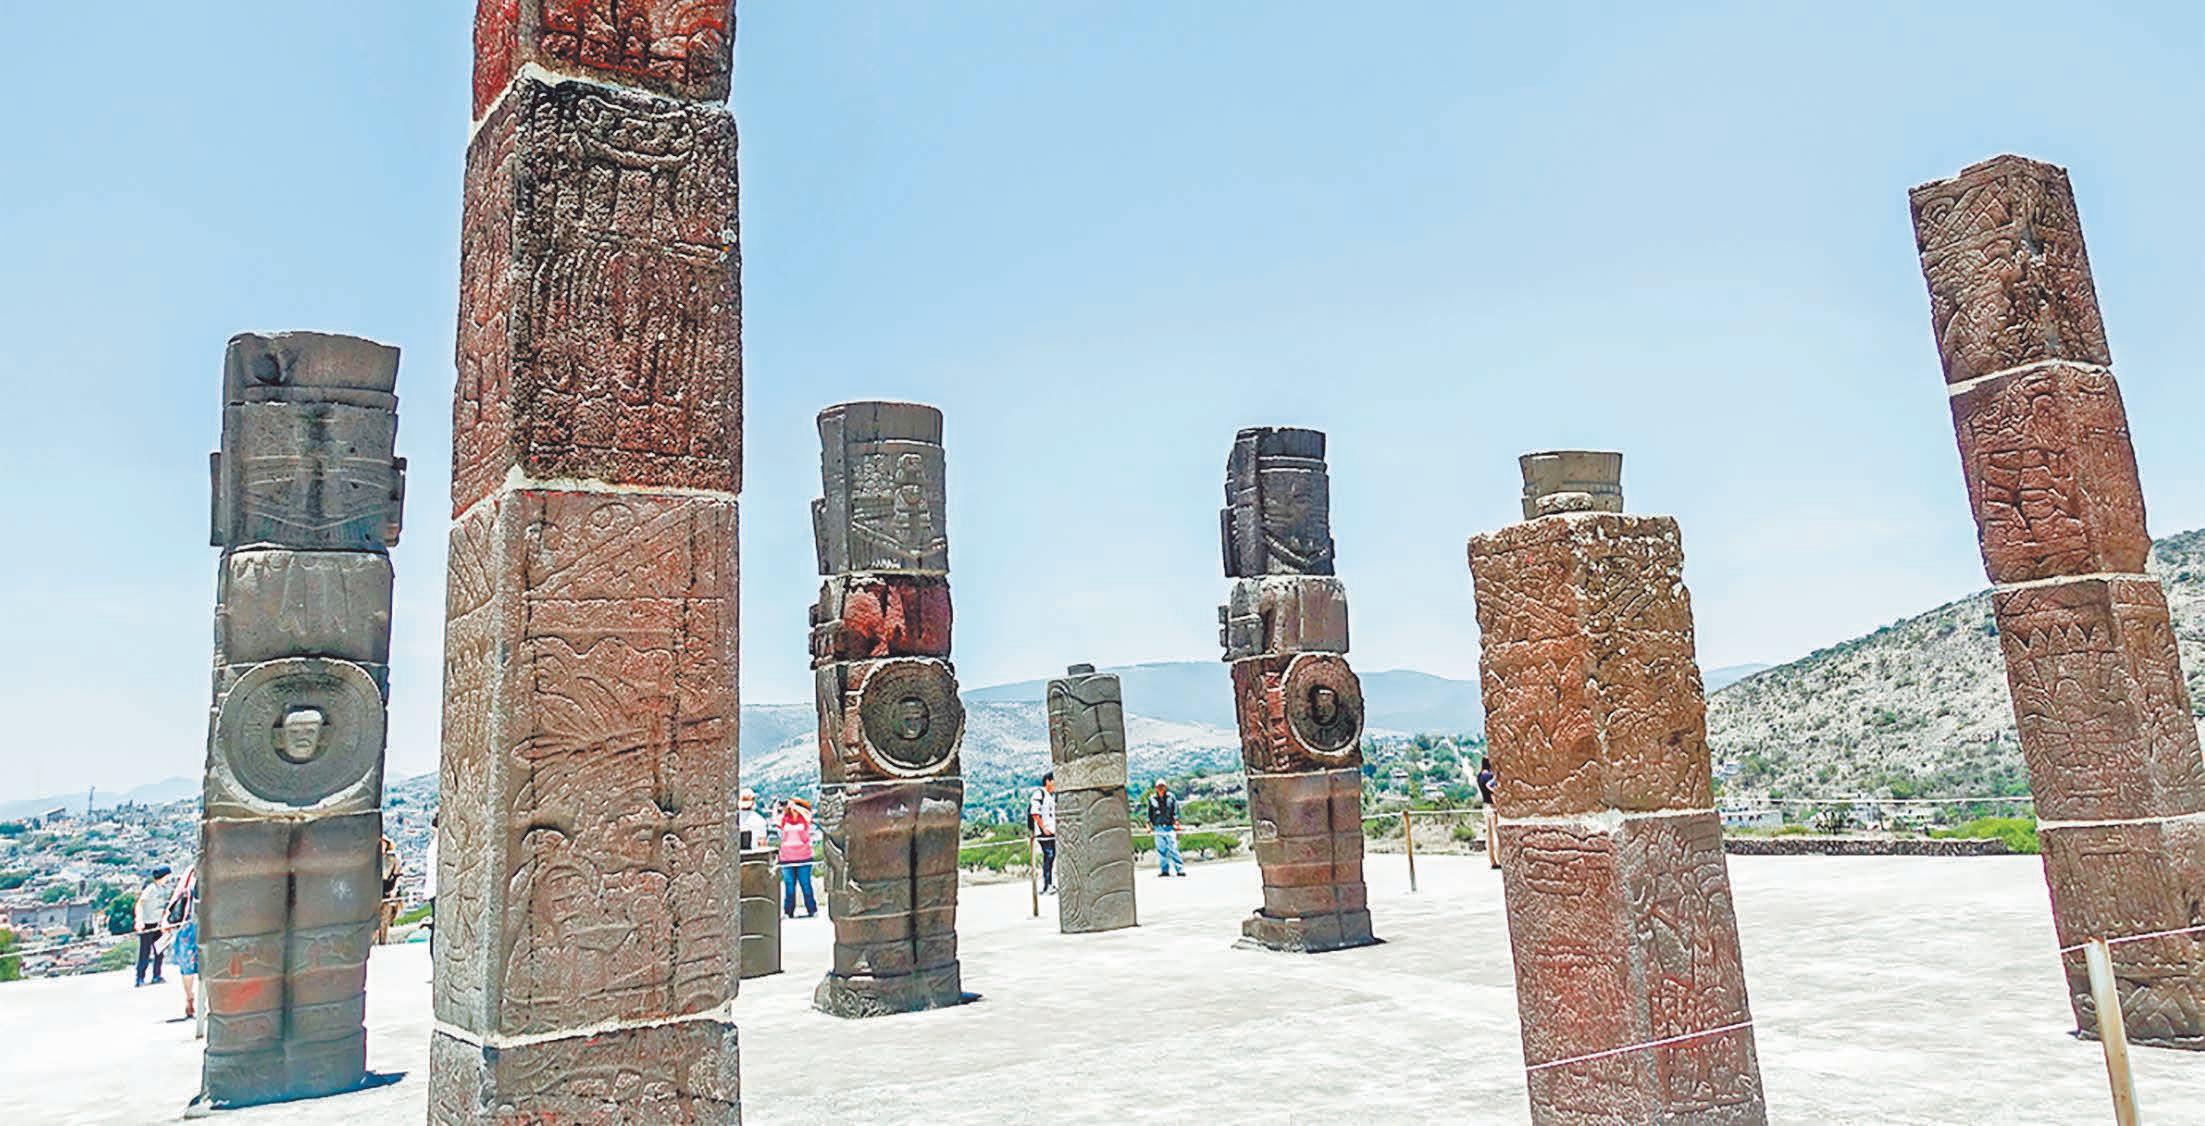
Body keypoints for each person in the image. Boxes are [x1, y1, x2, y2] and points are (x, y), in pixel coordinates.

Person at [167, 866, 199, 1021]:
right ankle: (190, 998)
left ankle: (205, 1001)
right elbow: (178, 894)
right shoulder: (191, 871)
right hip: (189, 925)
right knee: (187, 967)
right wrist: (167, 918)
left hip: (207, 924)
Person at [777, 797, 817, 918]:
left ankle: (812, 909)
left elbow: (809, 816)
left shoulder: (804, 819)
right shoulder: (785, 819)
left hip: (804, 856)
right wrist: (777, 806)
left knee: (806, 884)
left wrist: (797, 807)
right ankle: (788, 911)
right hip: (787, 857)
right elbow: (776, 820)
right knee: (789, 886)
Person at [134, 866, 171, 987]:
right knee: (145, 951)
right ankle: (140, 977)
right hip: (148, 923)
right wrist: (139, 920)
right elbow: (140, 904)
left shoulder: (163, 889)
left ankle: (157, 975)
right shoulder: (150, 889)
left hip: (158, 924)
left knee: (159, 950)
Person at [1146, 781, 1186, 877]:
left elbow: (1175, 811)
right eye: (1158, 787)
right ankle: (1164, 870)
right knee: (1161, 850)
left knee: (1173, 848)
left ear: (1165, 787)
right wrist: (1148, 825)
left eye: (1162, 786)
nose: (1160, 788)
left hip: (1169, 827)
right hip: (1158, 827)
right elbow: (1149, 813)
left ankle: (1180, 869)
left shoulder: (1171, 797)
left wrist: (1176, 823)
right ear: (1156, 788)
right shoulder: (1152, 798)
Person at [1028, 773, 1058, 894]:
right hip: (1043, 832)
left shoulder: (1051, 796)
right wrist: (1043, 828)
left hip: (1052, 831)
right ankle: (1047, 885)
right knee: (1049, 855)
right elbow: (1034, 813)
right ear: (1048, 781)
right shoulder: (1039, 794)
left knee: (1051, 857)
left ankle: (1049, 883)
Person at [1476, 758, 1500, 870]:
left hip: (1485, 806)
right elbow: (1491, 788)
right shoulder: (1490, 776)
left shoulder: (1479, 776)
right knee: (1496, 835)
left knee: (1489, 835)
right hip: (1493, 806)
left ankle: (1492, 860)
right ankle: (1500, 858)